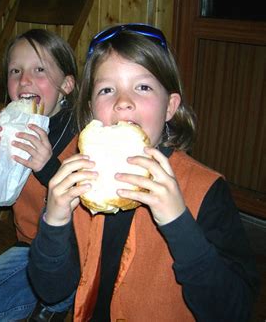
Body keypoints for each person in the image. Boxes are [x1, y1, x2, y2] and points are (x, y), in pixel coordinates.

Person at [27, 24, 259, 321]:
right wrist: (55, 221)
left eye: (143, 87)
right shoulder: (81, 180)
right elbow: (51, 290)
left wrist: (179, 223)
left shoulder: (207, 191)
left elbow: (234, 311)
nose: (123, 101)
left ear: (170, 107)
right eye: (107, 89)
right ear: (91, 111)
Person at [0, 29, 79, 321]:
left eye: (39, 69)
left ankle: (59, 302)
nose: (24, 80)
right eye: (15, 71)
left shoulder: (84, 136)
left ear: (66, 85)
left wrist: (48, 166)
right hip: (29, 248)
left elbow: (91, 218)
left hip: (76, 255)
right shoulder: (11, 124)